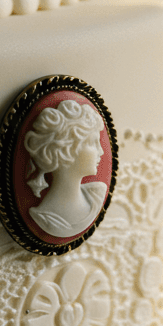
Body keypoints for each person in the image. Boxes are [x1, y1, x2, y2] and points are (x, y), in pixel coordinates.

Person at [24, 99, 107, 237]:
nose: (101, 151)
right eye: (92, 143)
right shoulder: (46, 217)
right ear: (65, 149)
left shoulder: (97, 194)